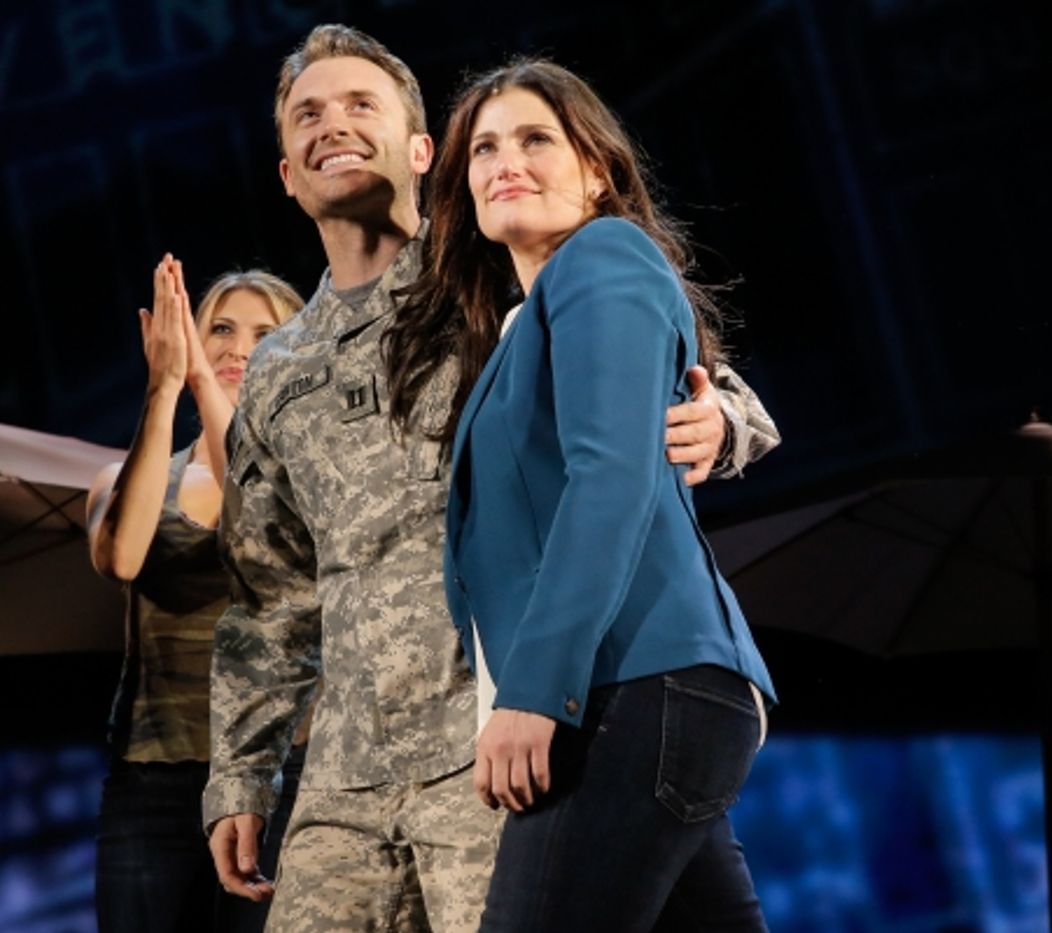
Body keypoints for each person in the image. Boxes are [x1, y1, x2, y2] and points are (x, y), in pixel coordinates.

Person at [203, 25, 778, 933]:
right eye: (306, 114)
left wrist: (724, 419)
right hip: (346, 775)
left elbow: (669, 388)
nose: (331, 126)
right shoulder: (277, 367)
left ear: (424, 151)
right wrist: (240, 767)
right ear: (284, 170)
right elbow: (269, 589)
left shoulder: (494, 273)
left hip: (504, 731)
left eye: (362, 105)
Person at [400, 59, 777, 931]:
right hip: (651, 696)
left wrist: (533, 692)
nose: (505, 161)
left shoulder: (603, 256)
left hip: (628, 688)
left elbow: (609, 477)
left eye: (536, 139)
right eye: (484, 147)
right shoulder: (519, 323)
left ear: (598, 170)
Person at [85, 256, 306, 933]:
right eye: (220, 329)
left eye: (266, 334)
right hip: (153, 778)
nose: (240, 348)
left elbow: (254, 531)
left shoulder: (314, 474)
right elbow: (122, 555)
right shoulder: (123, 476)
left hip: (277, 772)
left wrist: (205, 384)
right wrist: (163, 389)